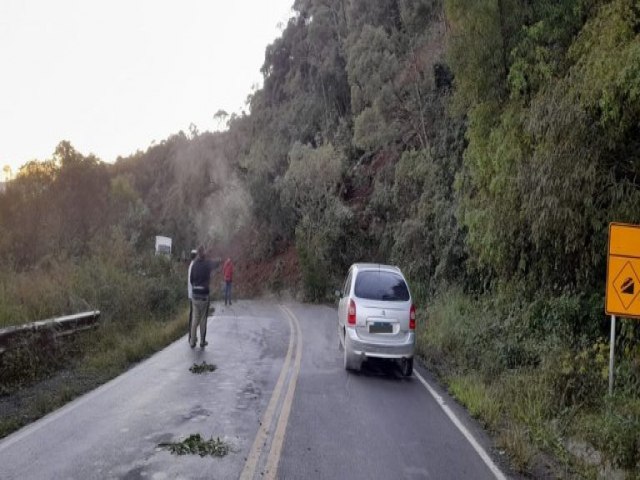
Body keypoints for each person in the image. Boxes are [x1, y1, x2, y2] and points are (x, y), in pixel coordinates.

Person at [189, 246, 215, 348]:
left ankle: (192, 341)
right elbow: (215, 264)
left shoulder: (194, 265)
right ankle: (202, 341)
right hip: (204, 295)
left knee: (195, 319)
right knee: (203, 319)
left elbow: (191, 280)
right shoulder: (207, 264)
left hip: (195, 295)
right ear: (204, 254)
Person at [187, 249, 197, 344]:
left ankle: (191, 335)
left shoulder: (191, 265)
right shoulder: (193, 265)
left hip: (191, 293)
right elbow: (192, 281)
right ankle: (191, 335)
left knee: (192, 314)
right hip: (193, 294)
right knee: (193, 315)